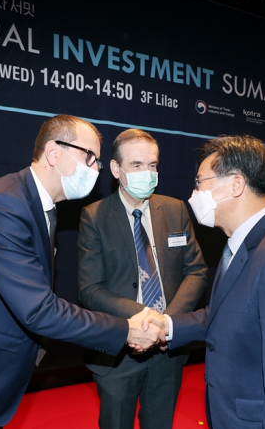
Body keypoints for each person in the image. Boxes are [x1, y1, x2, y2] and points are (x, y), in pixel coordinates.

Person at [0, 115, 164, 429]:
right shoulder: (4, 205)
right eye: (88, 157)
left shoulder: (39, 206)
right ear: (54, 152)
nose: (95, 169)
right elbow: (38, 309)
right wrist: (126, 329)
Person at [145, 135, 265, 429]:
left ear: (235, 184)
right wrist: (166, 326)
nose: (195, 192)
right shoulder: (241, 243)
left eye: (200, 182)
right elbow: (226, 315)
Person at [77, 129, 208, 429]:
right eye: (137, 165)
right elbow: (90, 290)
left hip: (167, 350)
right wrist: (145, 317)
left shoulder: (175, 209)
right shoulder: (94, 216)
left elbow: (196, 271)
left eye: (153, 165)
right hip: (119, 350)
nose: (147, 173)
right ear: (116, 169)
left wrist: (165, 323)